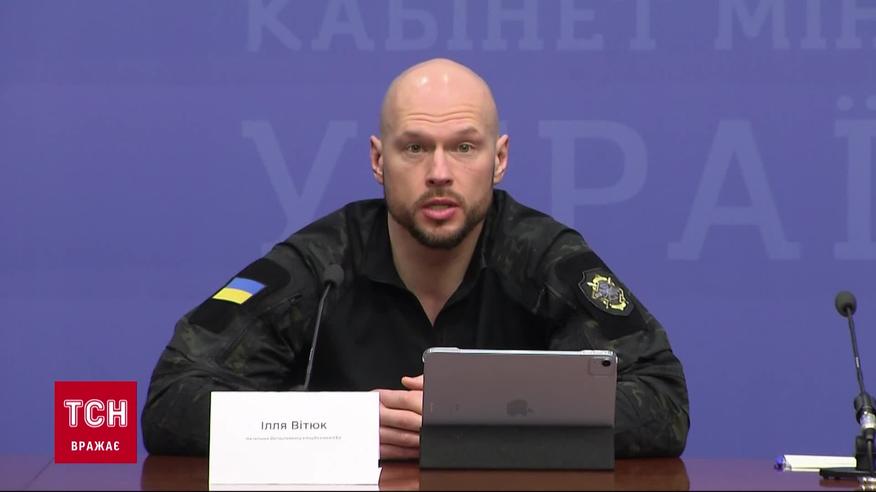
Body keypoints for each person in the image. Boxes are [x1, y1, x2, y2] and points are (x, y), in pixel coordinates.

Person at [142, 58, 689, 459]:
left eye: (464, 147)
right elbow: (171, 400)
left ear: (499, 159)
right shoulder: (319, 264)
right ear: (379, 160)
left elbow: (662, 401)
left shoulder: (542, 258)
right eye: (415, 147)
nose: (439, 173)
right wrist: (342, 426)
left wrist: (487, 414)